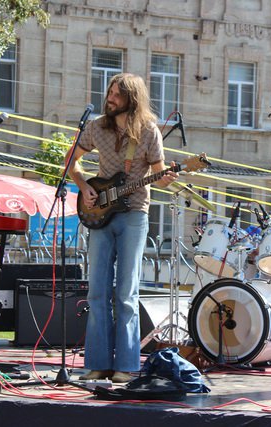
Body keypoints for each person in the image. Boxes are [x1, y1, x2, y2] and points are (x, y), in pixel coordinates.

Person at [65, 73, 177, 383]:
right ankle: (97, 364)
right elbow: (70, 161)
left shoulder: (149, 132)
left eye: (116, 94)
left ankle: (126, 366)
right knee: (97, 292)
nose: (110, 98)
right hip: (99, 214)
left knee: (126, 293)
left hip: (133, 215)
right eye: (110, 92)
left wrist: (166, 177)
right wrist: (84, 185)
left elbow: (159, 174)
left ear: (132, 98)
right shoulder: (96, 127)